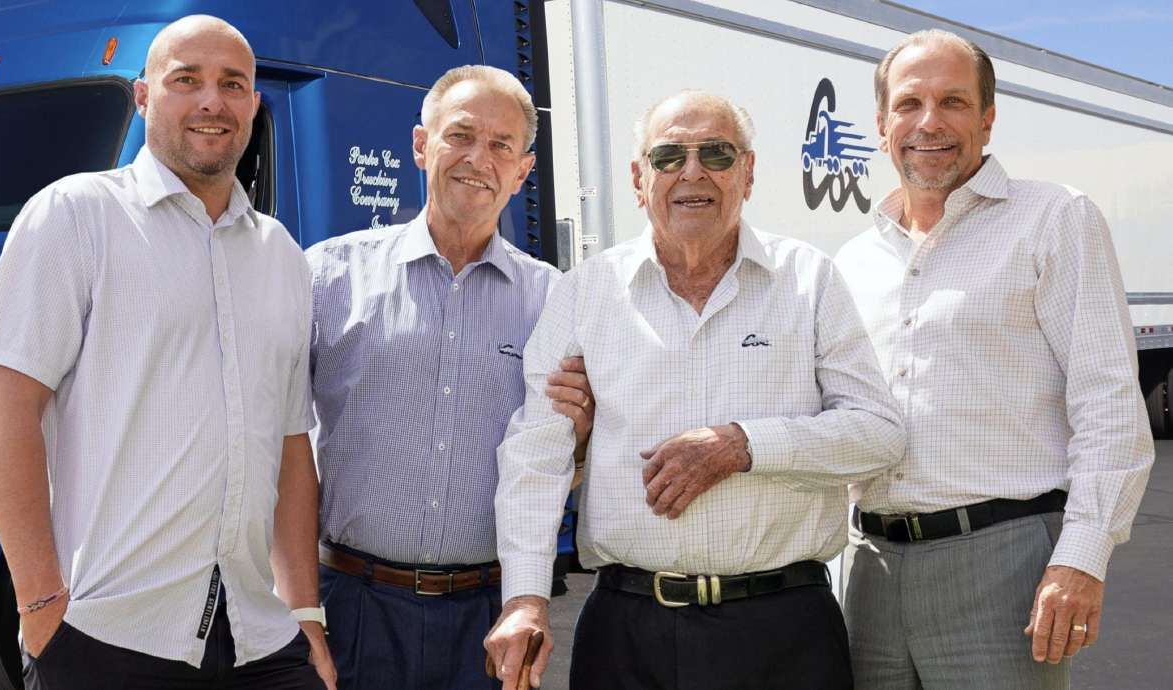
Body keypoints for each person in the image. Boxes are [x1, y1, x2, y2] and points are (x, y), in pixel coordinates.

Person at [0, 15, 337, 690]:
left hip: (260, 636)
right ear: (143, 96)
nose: (212, 101)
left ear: (254, 104)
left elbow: (289, 447)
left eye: (232, 84)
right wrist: (41, 608)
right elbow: (4, 413)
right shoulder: (76, 214)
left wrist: (305, 612)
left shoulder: (281, 254)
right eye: (185, 80)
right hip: (108, 637)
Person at [485, 90, 905, 690]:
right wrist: (525, 597)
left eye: (716, 153)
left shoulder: (808, 280)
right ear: (639, 179)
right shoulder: (586, 292)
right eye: (668, 157)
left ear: (748, 173)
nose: (692, 172)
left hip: (785, 633)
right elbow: (537, 453)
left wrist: (743, 446)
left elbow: (878, 434)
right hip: (628, 637)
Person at [834, 29, 1155, 689]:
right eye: (909, 103)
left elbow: (1108, 402)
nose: (929, 122)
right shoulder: (854, 260)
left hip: (1003, 566)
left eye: (953, 101)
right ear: (882, 125)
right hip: (868, 570)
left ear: (987, 118)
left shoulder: (1054, 219)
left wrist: (1082, 558)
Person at [307, 64, 594, 690]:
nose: (477, 159)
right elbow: (278, 447)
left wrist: (580, 441)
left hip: (489, 618)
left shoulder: (554, 301)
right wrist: (297, 605)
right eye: (460, 135)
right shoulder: (328, 277)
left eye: (501, 146)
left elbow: (558, 465)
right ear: (421, 144)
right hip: (351, 607)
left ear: (523, 170)